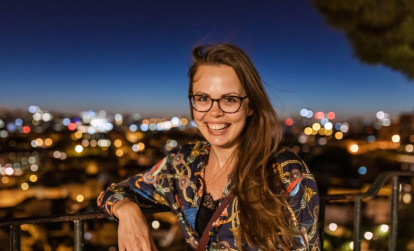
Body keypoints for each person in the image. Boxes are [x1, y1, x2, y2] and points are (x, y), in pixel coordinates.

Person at [97, 44, 320, 251]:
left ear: (250, 105)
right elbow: (113, 192)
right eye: (203, 98)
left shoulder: (284, 170)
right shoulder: (183, 163)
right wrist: (127, 210)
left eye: (229, 99)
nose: (214, 112)